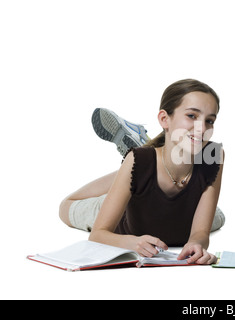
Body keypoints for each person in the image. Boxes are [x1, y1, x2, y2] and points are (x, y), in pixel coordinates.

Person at [59, 79, 225, 265]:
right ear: (164, 119)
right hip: (127, 213)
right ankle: (135, 171)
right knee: (65, 207)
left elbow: (201, 233)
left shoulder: (213, 156)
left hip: (178, 216)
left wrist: (196, 243)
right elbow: (98, 234)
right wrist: (130, 242)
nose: (202, 128)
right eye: (192, 116)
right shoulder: (138, 162)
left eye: (210, 121)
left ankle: (142, 165)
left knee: (218, 218)